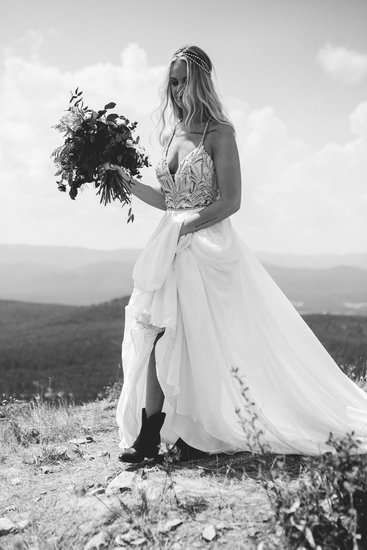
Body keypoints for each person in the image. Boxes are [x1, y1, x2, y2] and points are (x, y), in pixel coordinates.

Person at [103, 45, 367, 463]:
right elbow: (169, 198)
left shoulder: (220, 133)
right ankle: (150, 433)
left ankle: (200, 432)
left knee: (199, 341)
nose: (174, 90)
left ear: (200, 82)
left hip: (205, 244)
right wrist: (124, 182)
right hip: (168, 243)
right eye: (170, 81)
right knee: (155, 335)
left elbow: (231, 201)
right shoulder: (172, 133)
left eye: (182, 81)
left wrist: (184, 229)